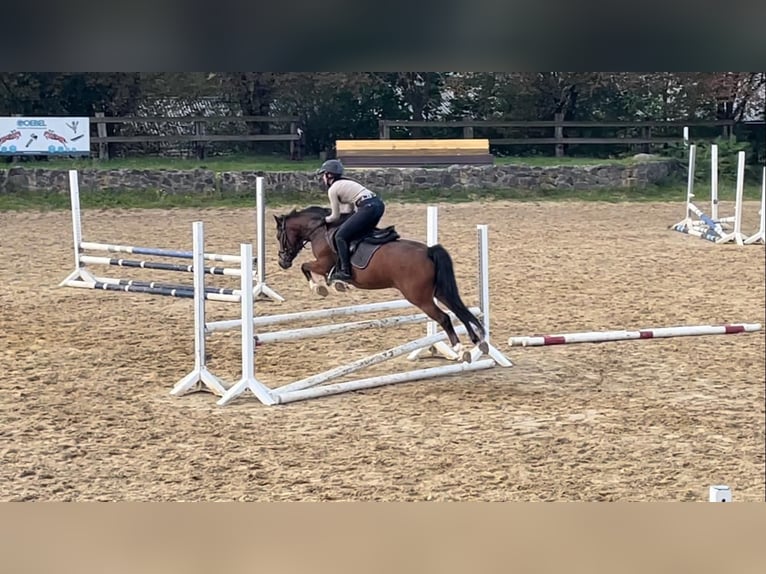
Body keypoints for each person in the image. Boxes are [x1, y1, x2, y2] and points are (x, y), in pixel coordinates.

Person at [317, 158, 385, 282]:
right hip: (378, 205)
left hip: (367, 207)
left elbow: (335, 217)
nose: (323, 178)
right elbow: (348, 210)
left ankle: (345, 271)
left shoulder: (333, 189)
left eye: (323, 175)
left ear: (329, 175)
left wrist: (323, 220)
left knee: (340, 237)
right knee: (360, 233)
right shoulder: (347, 183)